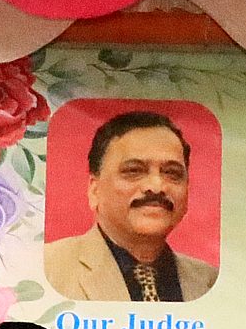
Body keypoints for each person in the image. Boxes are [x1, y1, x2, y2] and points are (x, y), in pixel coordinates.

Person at [45, 110, 217, 303]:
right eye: (134, 170)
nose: (156, 187)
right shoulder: (48, 267)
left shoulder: (209, 281)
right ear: (95, 190)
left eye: (172, 173)